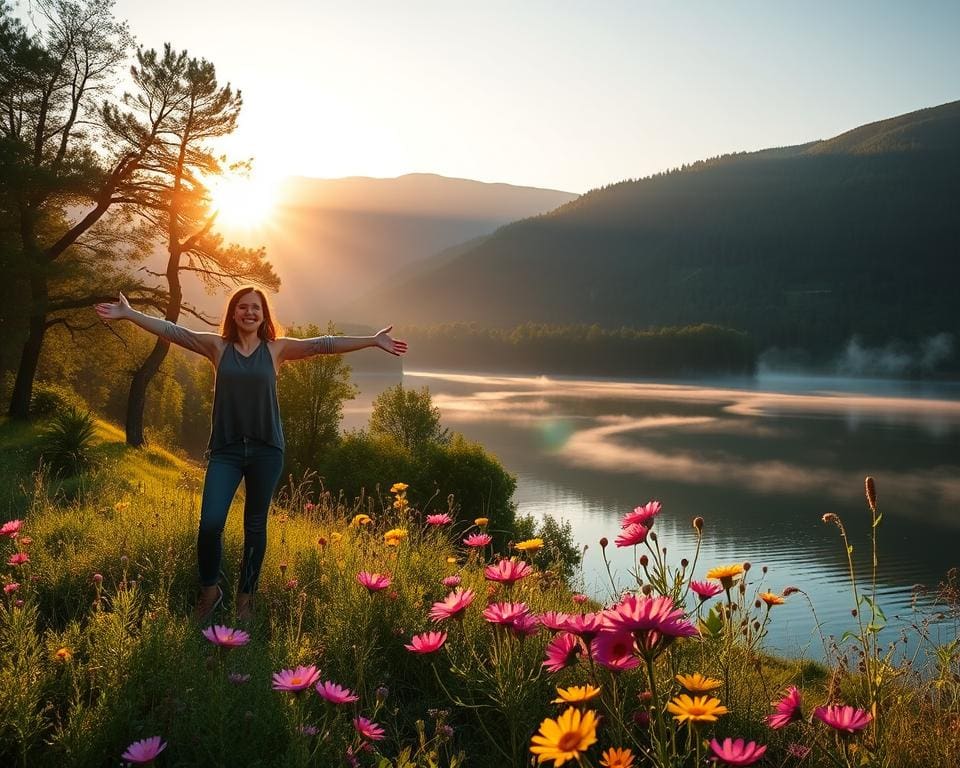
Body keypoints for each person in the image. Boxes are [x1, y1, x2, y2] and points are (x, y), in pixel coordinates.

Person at [95, 287, 407, 620]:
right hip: (226, 451)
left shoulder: (277, 349)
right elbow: (174, 331)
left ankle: (246, 600)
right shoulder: (218, 347)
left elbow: (324, 343)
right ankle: (210, 594)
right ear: (233, 313)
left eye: (255, 308)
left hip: (266, 451)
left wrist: (372, 340)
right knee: (210, 524)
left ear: (264, 314)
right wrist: (130, 314)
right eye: (242, 307)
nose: (249, 312)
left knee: (255, 528)